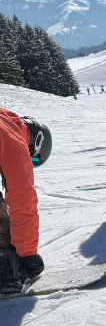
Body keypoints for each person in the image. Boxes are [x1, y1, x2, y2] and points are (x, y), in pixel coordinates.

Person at [0, 110, 51, 295]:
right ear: (35, 143)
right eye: (33, 159)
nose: (30, 163)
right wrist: (27, 253)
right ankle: (7, 273)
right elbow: (22, 198)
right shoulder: (12, 137)